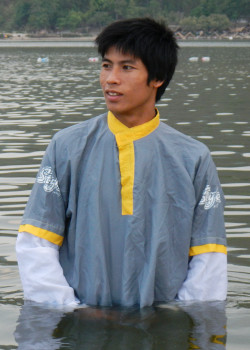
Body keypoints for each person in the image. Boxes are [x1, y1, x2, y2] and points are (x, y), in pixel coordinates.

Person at [16, 17, 227, 308]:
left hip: (161, 323)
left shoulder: (193, 158)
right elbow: (37, 242)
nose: (110, 79)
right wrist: (71, 310)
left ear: (157, 77)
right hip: (83, 321)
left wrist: (176, 320)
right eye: (106, 65)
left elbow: (209, 258)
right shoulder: (66, 146)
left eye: (126, 67)